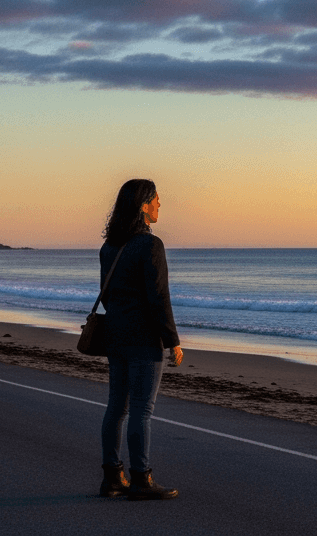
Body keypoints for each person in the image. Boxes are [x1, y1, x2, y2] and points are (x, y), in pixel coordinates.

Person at [97, 179, 183, 500]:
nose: (161, 205)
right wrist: (172, 339)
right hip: (144, 340)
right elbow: (159, 298)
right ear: (144, 205)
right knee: (142, 411)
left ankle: (111, 477)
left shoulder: (109, 248)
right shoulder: (150, 245)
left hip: (115, 335)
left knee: (116, 407)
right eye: (157, 200)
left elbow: (106, 296)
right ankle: (141, 479)